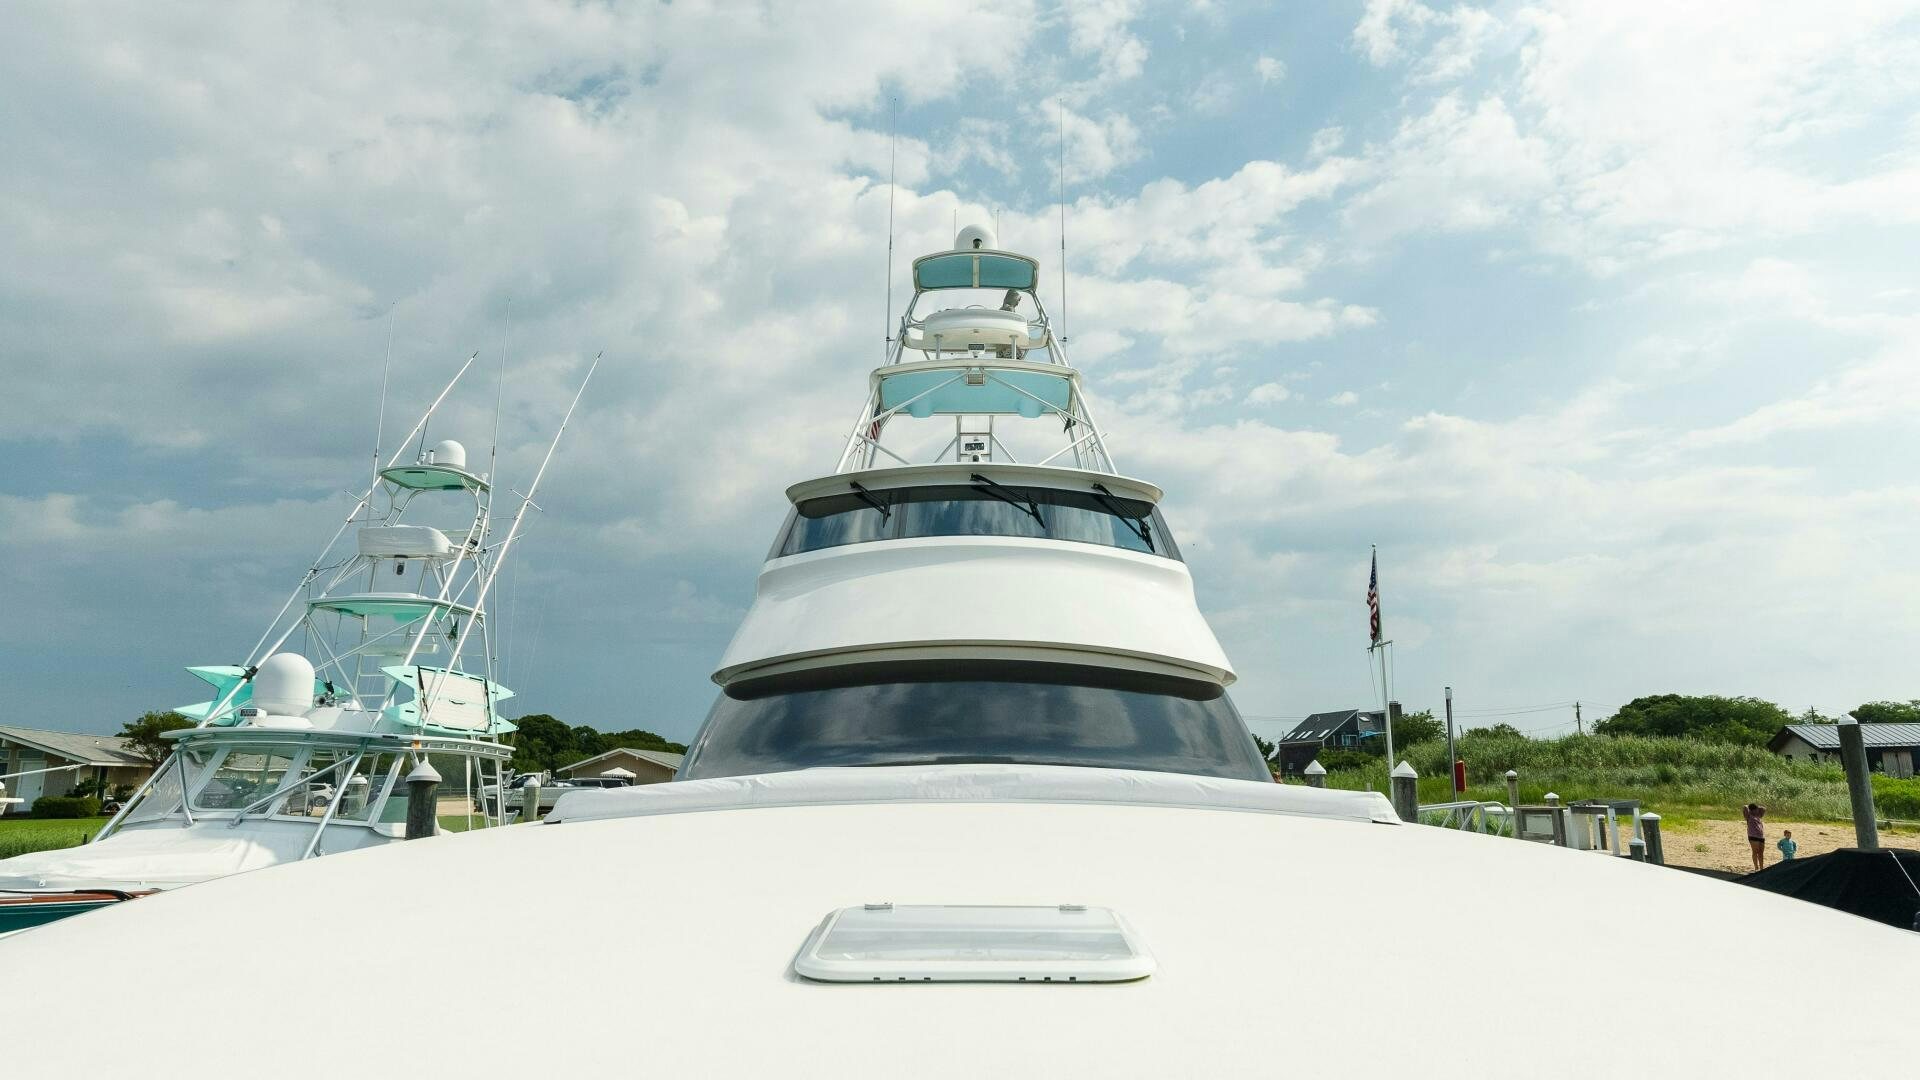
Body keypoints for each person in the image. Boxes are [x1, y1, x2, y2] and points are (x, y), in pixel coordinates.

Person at [1742, 802, 1767, 871]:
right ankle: (1756, 867)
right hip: (1753, 836)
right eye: (1755, 809)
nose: (1757, 810)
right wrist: (1750, 807)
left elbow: (1764, 808)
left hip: (1761, 836)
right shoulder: (1748, 816)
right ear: (1751, 810)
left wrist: (1757, 807)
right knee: (1755, 851)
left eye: (1757, 809)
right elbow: (1745, 806)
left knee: (1761, 853)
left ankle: (1761, 868)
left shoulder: (1759, 816)